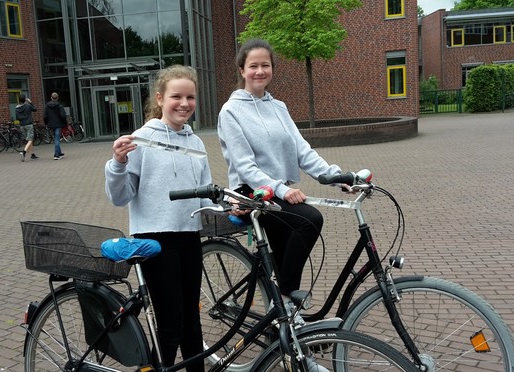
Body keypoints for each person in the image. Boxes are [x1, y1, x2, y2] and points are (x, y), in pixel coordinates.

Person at [218, 39, 345, 323]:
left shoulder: (279, 107)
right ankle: (287, 303)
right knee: (309, 219)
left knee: (284, 255)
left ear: (272, 68)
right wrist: (282, 190)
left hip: (276, 192)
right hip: (252, 193)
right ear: (242, 70)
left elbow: (302, 150)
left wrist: (336, 178)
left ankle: (282, 312)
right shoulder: (231, 111)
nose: (260, 71)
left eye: (265, 65)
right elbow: (244, 165)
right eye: (253, 66)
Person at [105, 65, 212, 371]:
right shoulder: (141, 139)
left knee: (191, 320)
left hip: (189, 235)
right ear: (160, 98)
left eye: (190, 97)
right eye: (176, 96)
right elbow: (119, 196)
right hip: (154, 239)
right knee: (170, 323)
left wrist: (228, 206)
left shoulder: (197, 142)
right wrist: (118, 162)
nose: (184, 103)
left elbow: (203, 194)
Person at [43, 92, 67, 160]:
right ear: (57, 98)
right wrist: (64, 123)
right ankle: (56, 155)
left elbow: (45, 116)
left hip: (51, 124)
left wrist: (46, 123)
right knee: (57, 139)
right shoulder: (60, 106)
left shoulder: (47, 106)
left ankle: (59, 153)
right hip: (58, 124)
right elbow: (63, 115)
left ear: (51, 97)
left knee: (56, 138)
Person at [15, 94, 38, 161]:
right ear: (25, 99)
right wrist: (30, 102)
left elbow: (17, 118)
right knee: (30, 139)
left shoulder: (16, 108)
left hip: (22, 125)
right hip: (29, 124)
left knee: (28, 141)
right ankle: (24, 152)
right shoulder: (28, 106)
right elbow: (35, 109)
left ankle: (32, 155)